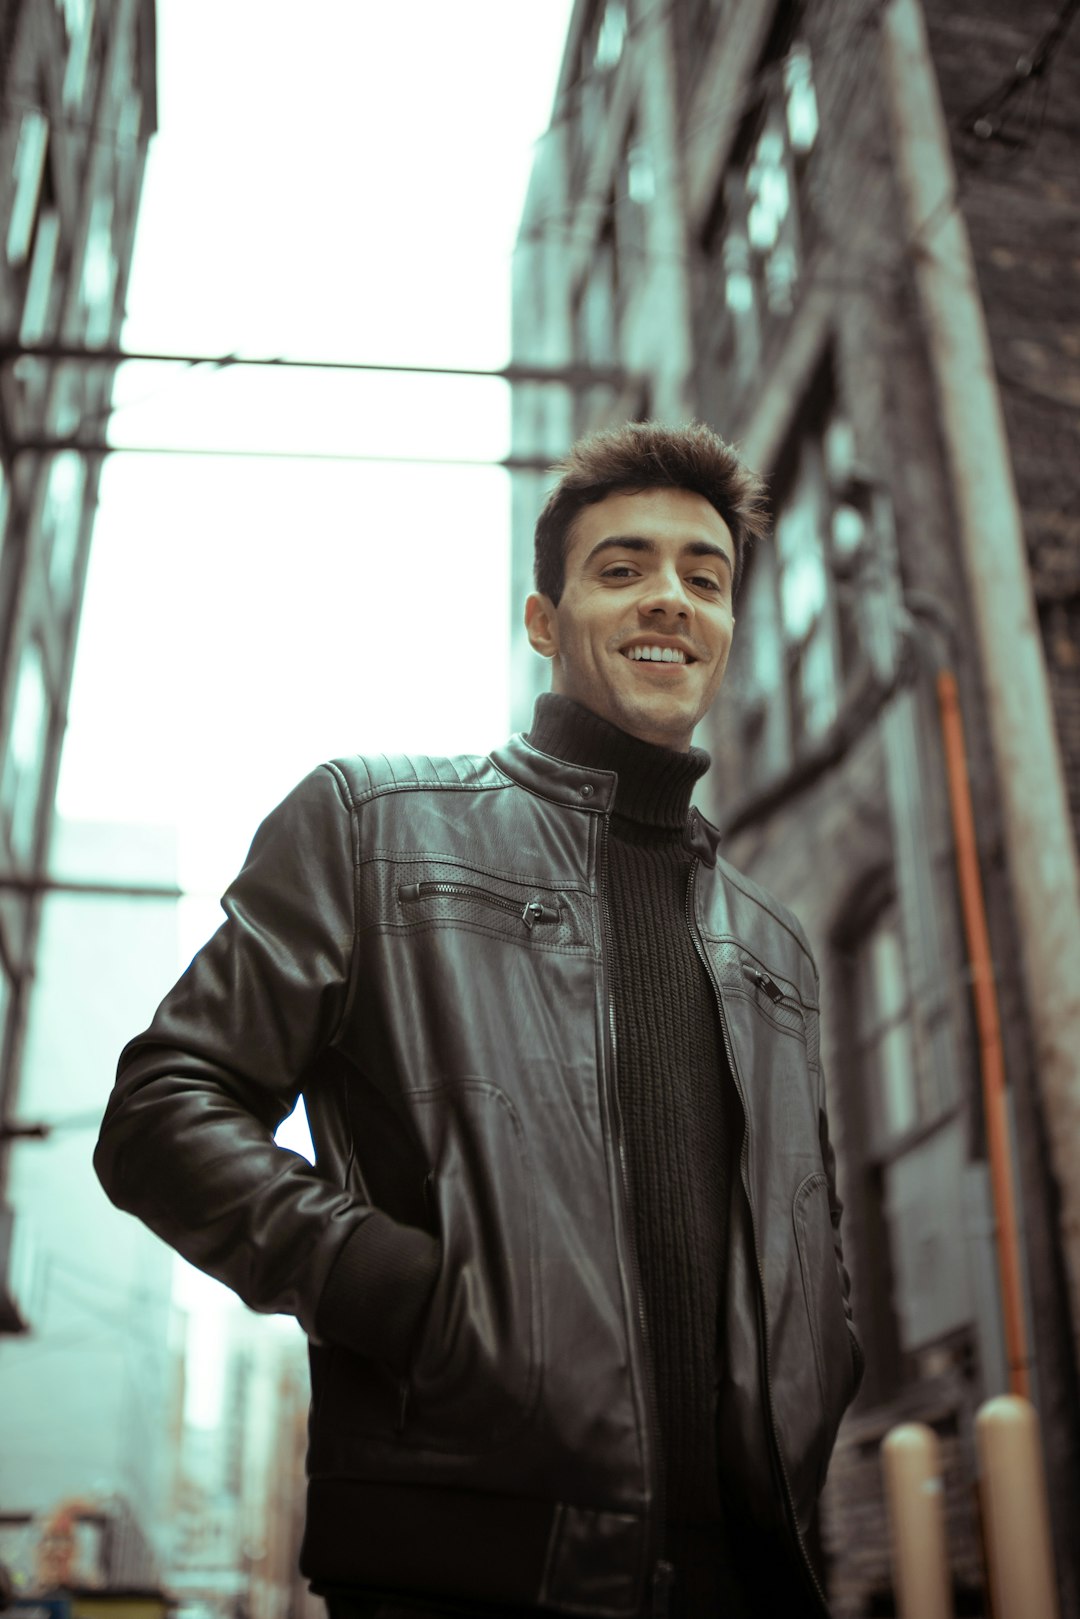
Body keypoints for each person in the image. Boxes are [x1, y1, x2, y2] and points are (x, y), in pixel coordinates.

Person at [95, 420, 863, 1619]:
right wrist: (395, 1288)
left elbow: (811, 1236)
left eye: (704, 578)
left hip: (752, 1576)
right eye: (623, 568)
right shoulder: (375, 824)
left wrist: (824, 1367)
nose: (670, 599)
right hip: (464, 1562)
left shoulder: (773, 947)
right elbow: (162, 1109)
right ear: (543, 622)